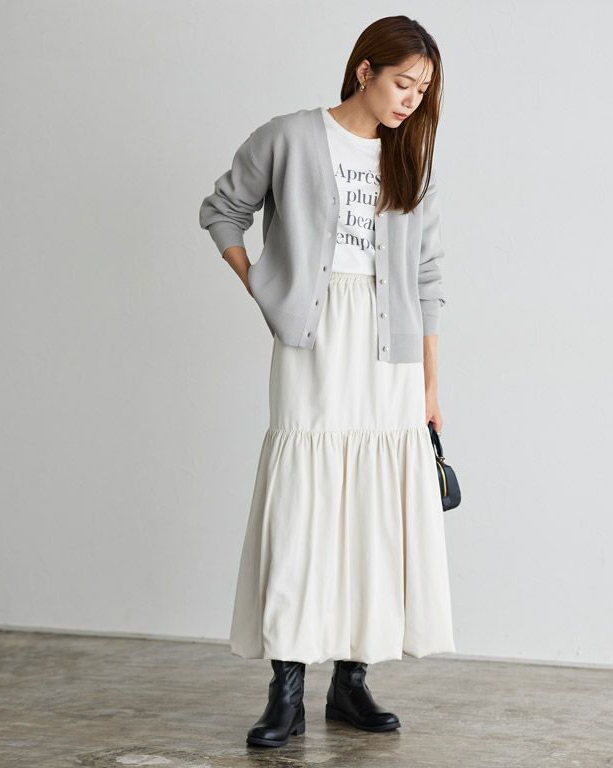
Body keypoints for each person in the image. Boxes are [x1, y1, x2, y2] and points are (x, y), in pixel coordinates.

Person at [198, 14, 456, 749]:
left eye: (423, 90)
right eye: (403, 83)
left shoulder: (411, 161)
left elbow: (427, 280)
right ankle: (286, 690)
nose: (411, 100)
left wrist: (430, 388)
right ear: (364, 70)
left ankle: (351, 681)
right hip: (315, 338)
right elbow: (222, 210)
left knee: (372, 510)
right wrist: (265, 288)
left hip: (390, 350)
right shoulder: (288, 136)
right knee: (303, 504)